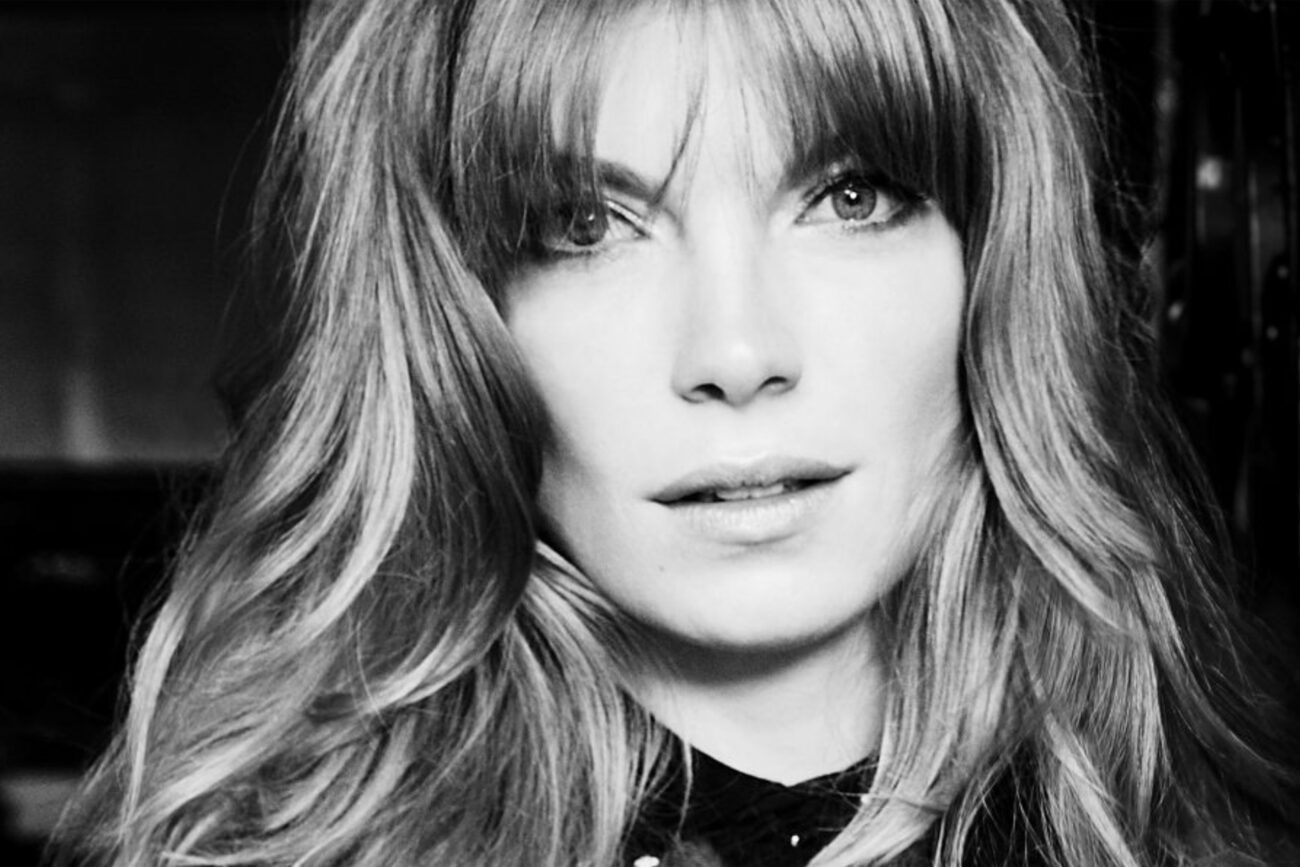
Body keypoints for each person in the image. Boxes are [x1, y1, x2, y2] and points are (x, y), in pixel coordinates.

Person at [57, 0, 1298, 865]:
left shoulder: (1194, 825)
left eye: (849, 195)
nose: (737, 353)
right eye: (585, 226)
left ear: (994, 263)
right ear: (444, 322)